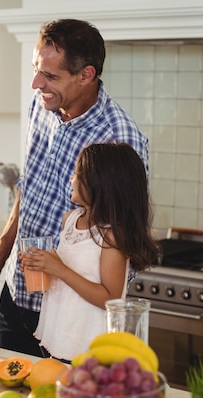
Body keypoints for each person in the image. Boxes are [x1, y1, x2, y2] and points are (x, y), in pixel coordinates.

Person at [0, 18, 150, 356]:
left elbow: (126, 239)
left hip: (71, 314)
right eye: (37, 70)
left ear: (86, 74)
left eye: (51, 76)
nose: (36, 83)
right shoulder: (43, 106)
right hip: (18, 290)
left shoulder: (120, 138)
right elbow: (29, 187)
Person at [20, 143, 160, 361]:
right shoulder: (71, 219)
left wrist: (60, 269)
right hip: (59, 330)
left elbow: (110, 298)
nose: (71, 179)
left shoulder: (111, 236)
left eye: (77, 173)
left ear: (99, 184)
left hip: (89, 344)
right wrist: (44, 265)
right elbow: (68, 273)